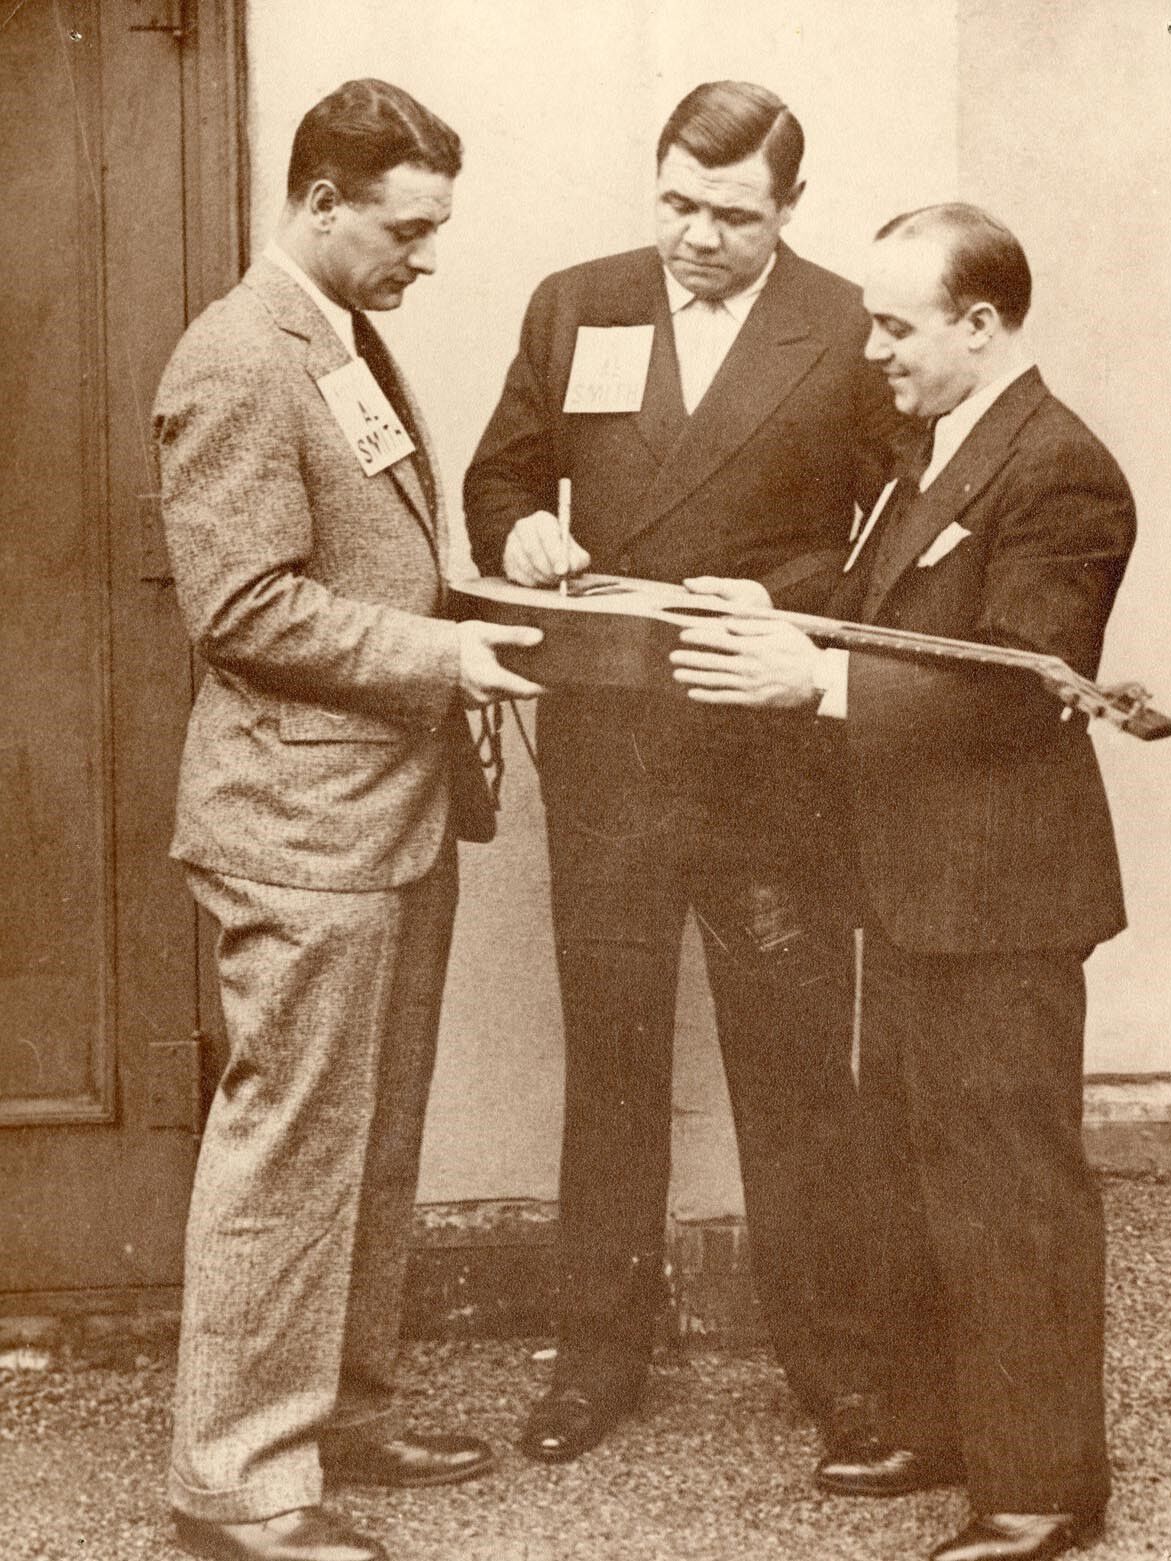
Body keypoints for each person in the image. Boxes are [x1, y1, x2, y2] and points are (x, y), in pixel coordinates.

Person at [671, 202, 1133, 1561]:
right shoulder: (946, 445)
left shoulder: (1059, 469)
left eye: (894, 323)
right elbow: (893, 590)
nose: (868, 347)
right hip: (919, 883)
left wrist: (813, 678)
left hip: (999, 896)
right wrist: (785, 607)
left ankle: (1044, 1484)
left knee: (1007, 1180)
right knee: (922, 1169)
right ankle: (947, 1426)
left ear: (978, 326)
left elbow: (1015, 677)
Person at [464, 80, 898, 1465]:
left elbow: (901, 539)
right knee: (612, 1056)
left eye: (730, 214)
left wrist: (787, 601)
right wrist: (526, 526)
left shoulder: (844, 323)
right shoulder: (571, 299)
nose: (694, 237)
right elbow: (495, 477)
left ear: (789, 209)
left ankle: (835, 1366)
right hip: (610, 749)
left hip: (768, 748)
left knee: (790, 1068)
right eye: (675, 203)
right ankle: (596, 1355)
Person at [154, 80, 542, 1561]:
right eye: (406, 228)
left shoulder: (341, 338)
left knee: (365, 1142)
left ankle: (340, 1406)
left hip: (388, 812)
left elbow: (375, 565)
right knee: (291, 1151)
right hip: (301, 829)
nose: (423, 258)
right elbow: (241, 607)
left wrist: (494, 605)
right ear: (321, 201)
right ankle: (237, 1487)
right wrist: (444, 653)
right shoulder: (242, 357)